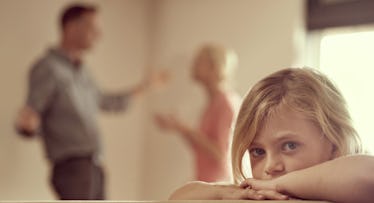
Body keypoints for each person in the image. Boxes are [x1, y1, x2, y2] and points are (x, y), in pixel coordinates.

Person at [15, 3, 165, 200]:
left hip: (94, 165)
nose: (98, 35)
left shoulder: (84, 73)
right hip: (72, 167)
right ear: (71, 27)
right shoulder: (47, 68)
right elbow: (31, 116)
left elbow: (106, 102)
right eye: (93, 28)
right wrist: (27, 127)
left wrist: (145, 87)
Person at [169, 67, 374, 203]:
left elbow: (367, 175)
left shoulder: (349, 192)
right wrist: (224, 192)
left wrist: (276, 184)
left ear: (334, 146)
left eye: (289, 146)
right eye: (257, 151)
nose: (270, 167)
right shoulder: (260, 195)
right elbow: (179, 197)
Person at [155, 44, 240, 182]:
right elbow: (202, 147)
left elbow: (221, 153)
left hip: (217, 186)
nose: (192, 64)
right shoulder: (213, 102)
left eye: (199, 61)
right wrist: (179, 127)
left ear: (215, 67)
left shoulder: (226, 103)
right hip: (206, 181)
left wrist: (184, 128)